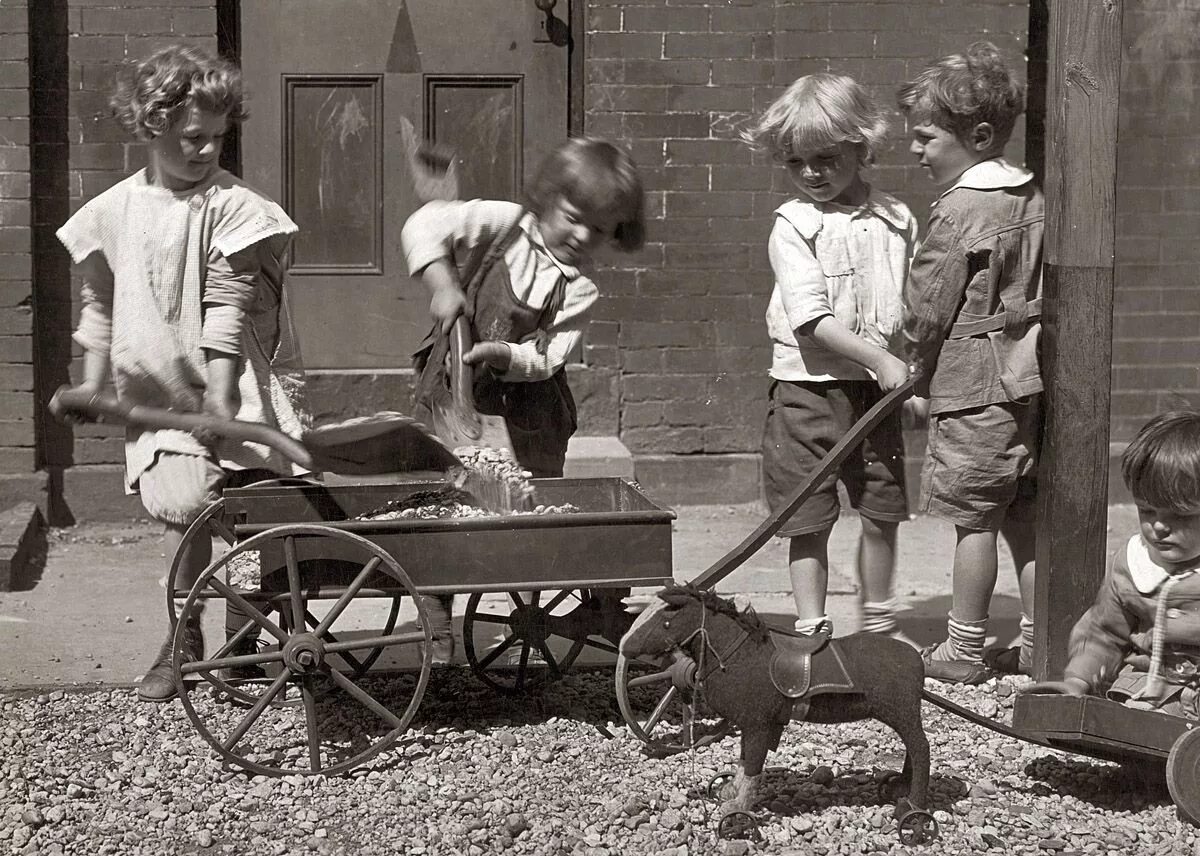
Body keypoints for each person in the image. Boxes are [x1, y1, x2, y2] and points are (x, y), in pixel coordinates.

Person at [50, 45, 310, 702]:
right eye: (193, 138)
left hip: (234, 391)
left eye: (217, 139)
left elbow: (228, 308)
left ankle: (241, 638)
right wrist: (93, 381)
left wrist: (224, 401)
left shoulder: (231, 207)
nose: (205, 152)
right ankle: (184, 629)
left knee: (249, 512)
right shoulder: (114, 212)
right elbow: (98, 302)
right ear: (152, 126)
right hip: (159, 395)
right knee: (188, 507)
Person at [400, 137, 646, 662]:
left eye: (599, 230)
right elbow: (423, 224)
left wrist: (504, 354)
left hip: (529, 408)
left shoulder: (579, 288)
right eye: (574, 216)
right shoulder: (502, 223)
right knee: (442, 496)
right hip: (455, 394)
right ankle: (435, 604)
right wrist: (443, 284)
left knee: (526, 505)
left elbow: (550, 356)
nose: (582, 236)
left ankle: (530, 602)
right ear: (548, 196)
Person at [741, 74, 917, 641]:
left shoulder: (898, 220)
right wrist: (883, 362)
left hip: (877, 393)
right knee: (806, 516)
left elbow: (912, 302)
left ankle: (877, 628)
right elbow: (811, 321)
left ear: (861, 148)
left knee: (882, 510)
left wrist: (909, 366)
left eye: (826, 157)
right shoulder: (794, 225)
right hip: (809, 391)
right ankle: (813, 627)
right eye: (797, 162)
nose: (812, 173)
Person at [897, 42, 1044, 684]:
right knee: (1024, 517)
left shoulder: (960, 209)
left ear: (978, 136)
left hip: (973, 384)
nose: (916, 150)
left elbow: (928, 307)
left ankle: (962, 649)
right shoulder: (1031, 195)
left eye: (926, 137)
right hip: (1027, 378)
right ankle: (1041, 642)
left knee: (974, 518)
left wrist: (910, 362)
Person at [1023, 412, 1200, 720]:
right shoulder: (1133, 565)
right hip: (1146, 689)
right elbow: (1104, 632)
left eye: (1180, 516)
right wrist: (1078, 678)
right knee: (1124, 708)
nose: (1158, 526)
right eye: (1147, 511)